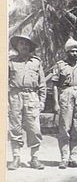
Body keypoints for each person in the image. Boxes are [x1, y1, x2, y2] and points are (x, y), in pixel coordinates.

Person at [8, 35, 46, 170]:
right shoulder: (10, 62)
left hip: (32, 96)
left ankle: (34, 158)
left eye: (26, 44)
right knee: (14, 128)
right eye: (21, 43)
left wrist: (42, 101)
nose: (24, 46)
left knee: (34, 128)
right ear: (17, 46)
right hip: (14, 96)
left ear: (30, 47)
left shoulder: (36, 62)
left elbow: (42, 84)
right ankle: (16, 157)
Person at [52, 38, 77, 169]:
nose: (74, 53)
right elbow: (55, 85)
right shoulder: (60, 65)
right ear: (67, 52)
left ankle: (73, 157)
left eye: (76, 51)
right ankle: (64, 158)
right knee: (64, 129)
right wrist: (56, 103)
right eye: (71, 51)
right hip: (65, 96)